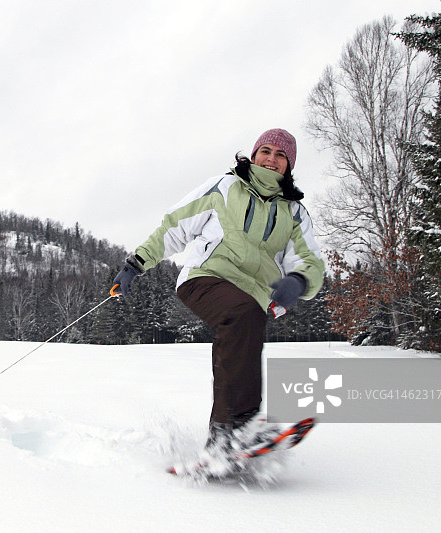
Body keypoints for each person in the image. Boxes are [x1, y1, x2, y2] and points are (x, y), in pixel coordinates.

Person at [112, 128, 325, 456]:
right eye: (265, 151)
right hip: (205, 278)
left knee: (246, 330)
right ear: (254, 156)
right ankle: (233, 429)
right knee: (241, 314)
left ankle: (234, 432)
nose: (271, 159)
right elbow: (175, 226)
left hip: (253, 299)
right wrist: (136, 263)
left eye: (280, 155)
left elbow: (310, 261)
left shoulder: (294, 213)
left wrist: (298, 281)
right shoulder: (225, 188)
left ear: (289, 165)